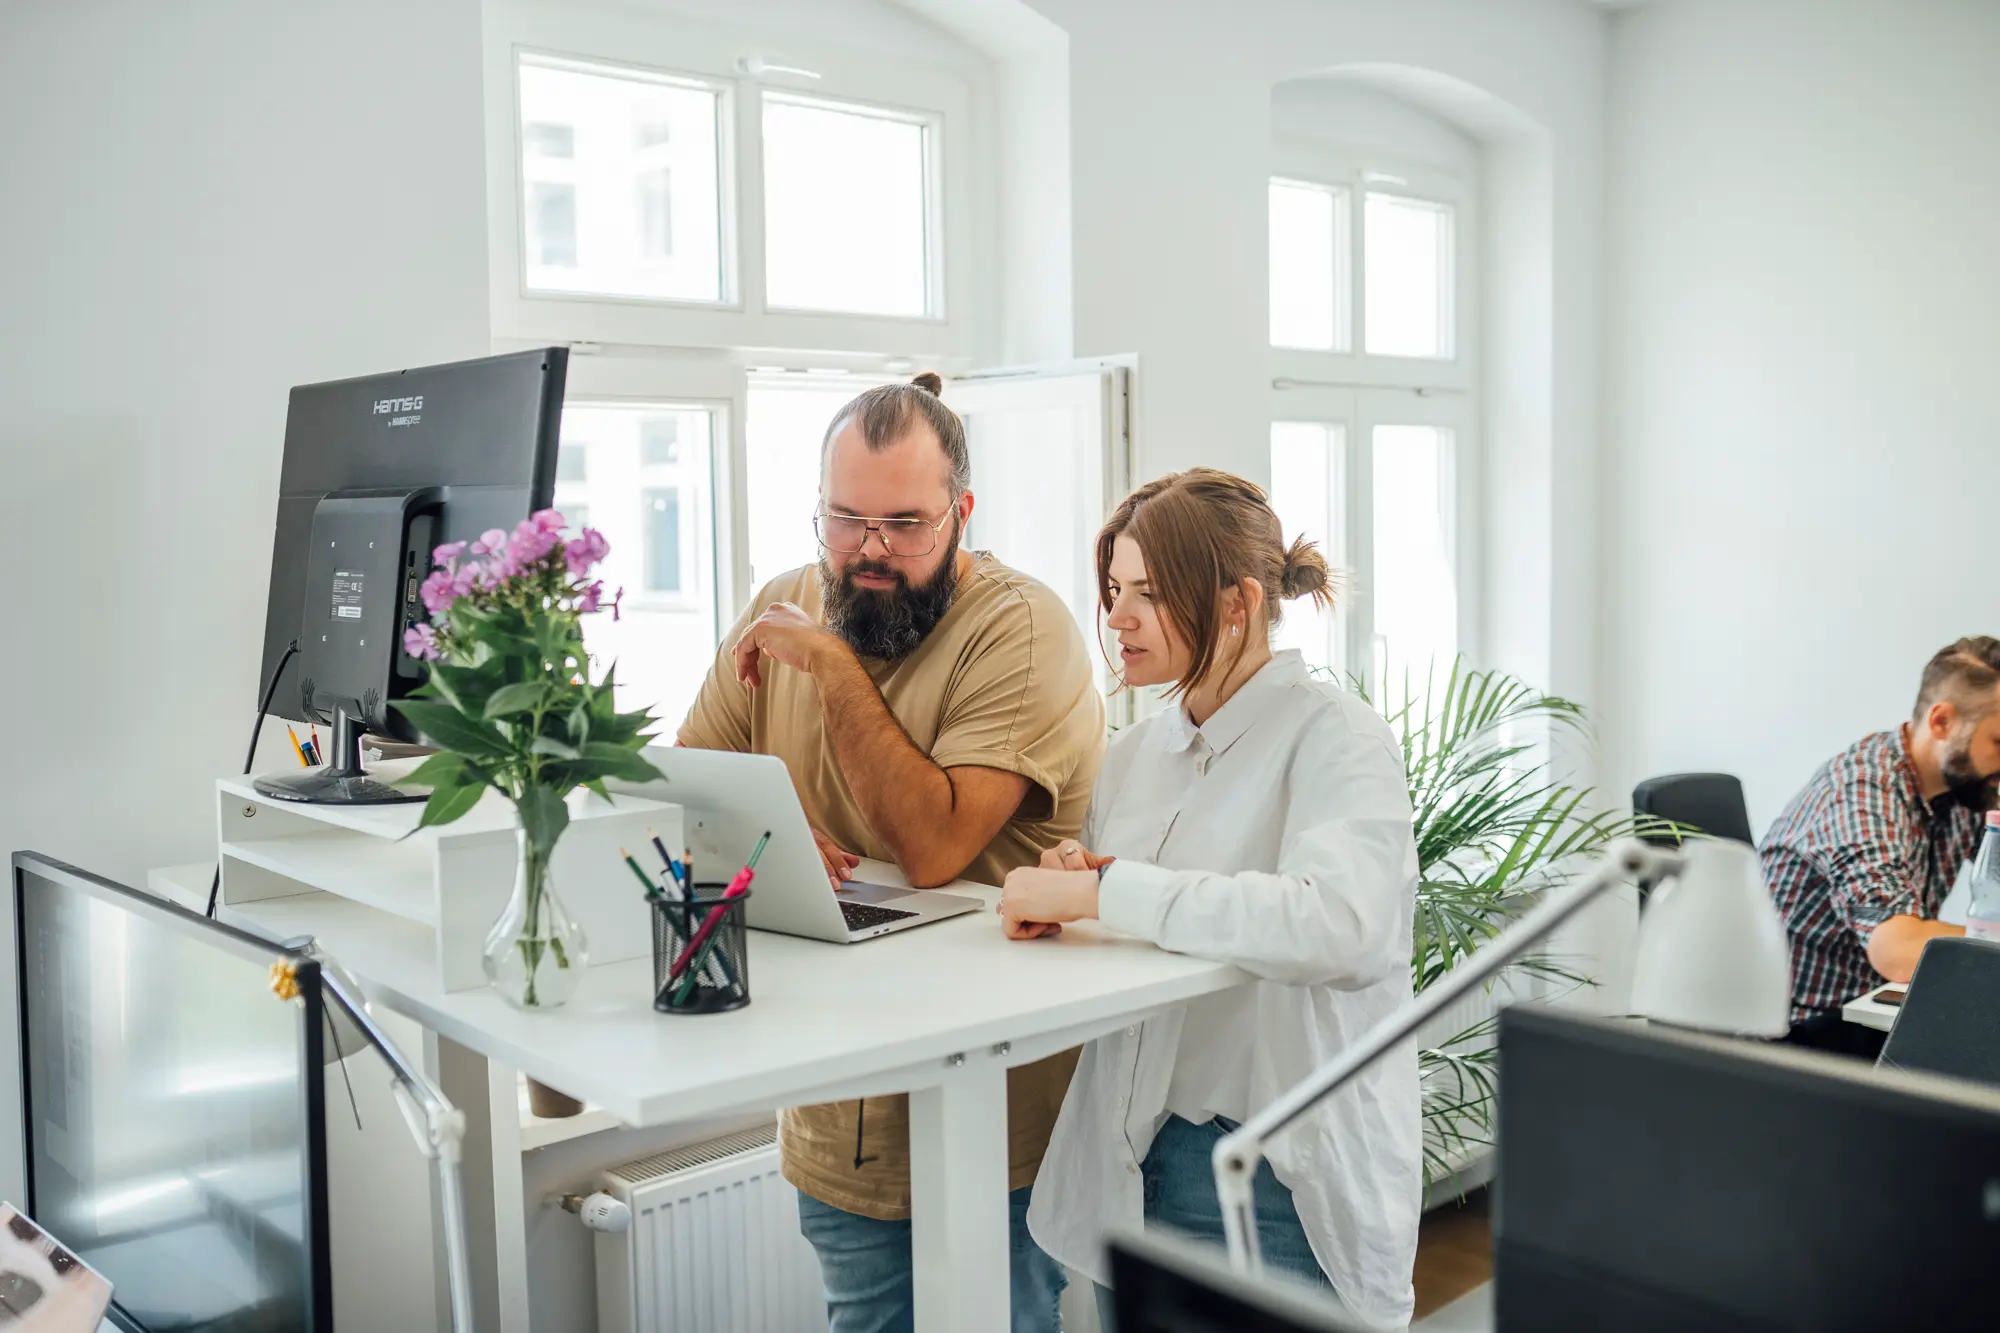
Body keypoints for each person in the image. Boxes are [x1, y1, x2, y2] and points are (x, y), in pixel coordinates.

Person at [676, 372, 1104, 1333]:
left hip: (997, 1118)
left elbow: (933, 846)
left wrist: (829, 662)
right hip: (836, 1106)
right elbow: (684, 787)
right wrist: (765, 831)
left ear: (962, 511)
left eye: (905, 524)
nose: (870, 552)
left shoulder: (1021, 628)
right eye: (845, 520)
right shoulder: (783, 598)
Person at [998, 468, 1423, 1331]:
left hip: (1269, 1175)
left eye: (1148, 594)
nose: (1117, 618)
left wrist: (1108, 887)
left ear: (1238, 603)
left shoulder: (1334, 735)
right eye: (1114, 589)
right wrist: (1084, 888)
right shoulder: (1135, 754)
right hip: (1132, 1159)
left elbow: (1339, 925)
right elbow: (1159, 921)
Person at [1760, 636, 2000, 1058]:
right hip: (1803, 1036)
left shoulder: (1964, 785)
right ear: (1941, 721)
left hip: (1877, 1008)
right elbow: (1899, 949)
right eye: (1999, 742)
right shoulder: (1862, 796)